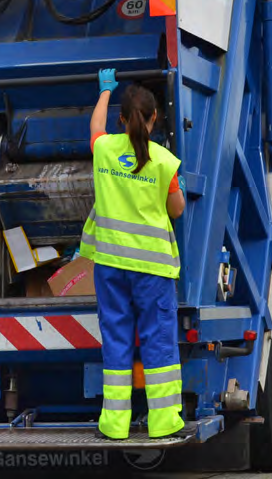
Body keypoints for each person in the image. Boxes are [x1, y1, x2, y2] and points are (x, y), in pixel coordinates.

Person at [81, 68, 189, 440]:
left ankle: (114, 424)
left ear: (122, 120)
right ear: (155, 118)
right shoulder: (164, 161)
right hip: (152, 268)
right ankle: (163, 421)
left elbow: (95, 129)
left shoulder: (106, 150)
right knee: (157, 338)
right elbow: (177, 210)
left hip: (110, 265)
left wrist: (105, 92)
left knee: (116, 338)